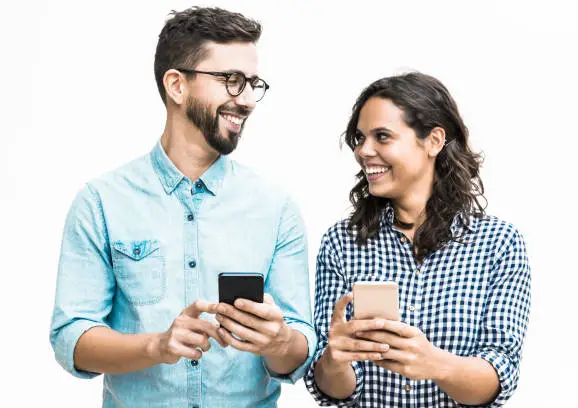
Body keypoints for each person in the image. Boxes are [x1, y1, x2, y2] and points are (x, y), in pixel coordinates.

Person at [49, 7, 315, 407]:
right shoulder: (102, 202)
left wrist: (280, 341)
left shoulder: (276, 208)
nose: (246, 100)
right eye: (231, 81)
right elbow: (72, 338)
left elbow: (298, 353)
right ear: (176, 85)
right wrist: (156, 345)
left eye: (252, 83)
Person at [304, 72, 531, 407]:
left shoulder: (499, 243)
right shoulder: (341, 242)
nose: (364, 151)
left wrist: (435, 364)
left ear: (434, 141)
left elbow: (500, 374)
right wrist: (334, 361)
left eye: (382, 136)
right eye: (360, 138)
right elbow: (333, 388)